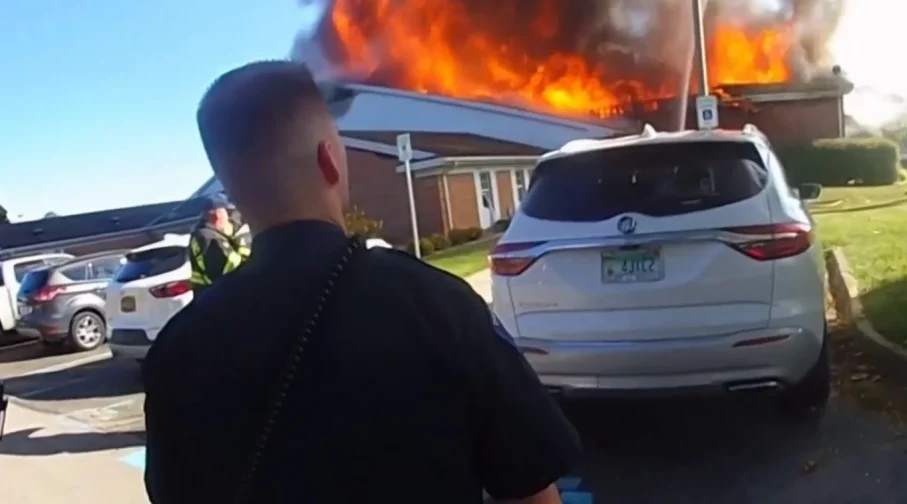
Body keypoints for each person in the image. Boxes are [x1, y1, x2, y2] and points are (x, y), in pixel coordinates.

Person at [143, 61, 581, 504]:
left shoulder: (177, 352)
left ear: (232, 191)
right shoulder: (439, 307)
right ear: (330, 159)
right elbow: (532, 493)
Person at [187, 194, 251, 298]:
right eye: (227, 212)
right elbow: (228, 269)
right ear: (218, 215)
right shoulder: (207, 237)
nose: (230, 218)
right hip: (218, 298)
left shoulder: (216, 234)